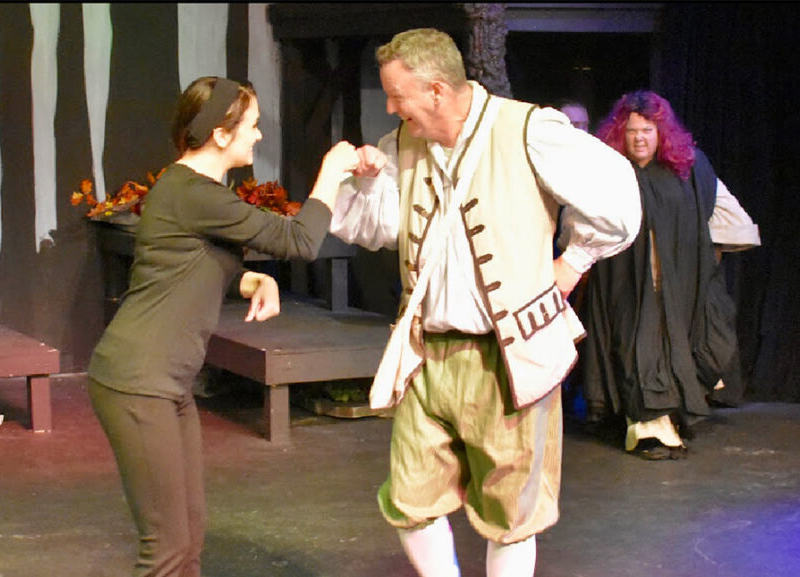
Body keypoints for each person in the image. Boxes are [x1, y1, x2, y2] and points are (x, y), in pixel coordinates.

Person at [329, 29, 641, 577]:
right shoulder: (401, 144)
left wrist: (573, 262)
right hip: (429, 355)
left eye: (397, 95)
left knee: (512, 509)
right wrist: (367, 183)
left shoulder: (528, 131)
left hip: (509, 357)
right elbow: (374, 228)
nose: (390, 106)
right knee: (409, 498)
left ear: (435, 91)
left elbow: (617, 198)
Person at [86, 76, 359, 577]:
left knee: (187, 536)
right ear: (219, 134)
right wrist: (332, 173)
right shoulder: (196, 194)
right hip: (138, 382)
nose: (257, 135)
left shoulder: (189, 190)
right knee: (166, 550)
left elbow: (186, 263)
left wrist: (251, 279)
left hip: (165, 382)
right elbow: (300, 241)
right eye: (252, 126)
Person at [580, 89, 761, 460]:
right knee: (635, 353)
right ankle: (647, 428)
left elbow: (728, 217)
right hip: (625, 286)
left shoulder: (687, 171)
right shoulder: (610, 173)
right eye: (632, 130)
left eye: (647, 129)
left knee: (674, 349)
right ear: (620, 133)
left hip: (673, 287)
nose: (640, 138)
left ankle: (665, 421)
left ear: (660, 132)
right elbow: (581, 221)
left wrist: (704, 260)